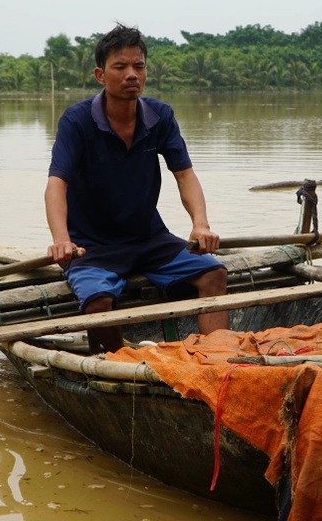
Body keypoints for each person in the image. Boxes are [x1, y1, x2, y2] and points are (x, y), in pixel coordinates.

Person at [45, 24, 228, 353]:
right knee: (98, 304)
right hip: (91, 246)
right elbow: (57, 184)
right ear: (101, 75)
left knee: (214, 274)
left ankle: (215, 360)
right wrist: (62, 239)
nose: (132, 74)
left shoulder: (160, 116)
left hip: (149, 239)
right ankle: (123, 359)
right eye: (120, 66)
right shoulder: (76, 121)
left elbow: (184, 175)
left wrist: (200, 223)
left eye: (139, 66)